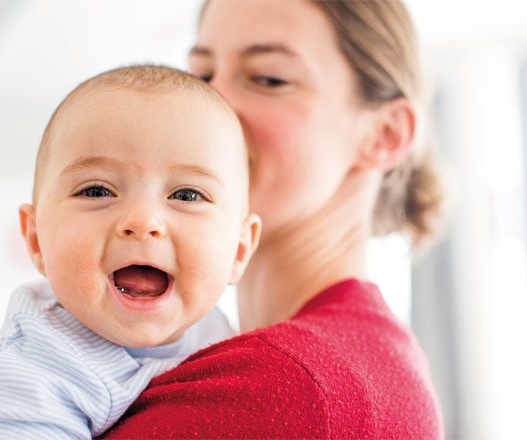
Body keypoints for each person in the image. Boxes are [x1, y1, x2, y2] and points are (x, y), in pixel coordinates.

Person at [104, 0, 444, 438]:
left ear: (385, 135)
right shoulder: (366, 360)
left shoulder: (290, 386)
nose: (211, 107)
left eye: (269, 78)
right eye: (202, 74)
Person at [0, 65, 261, 438]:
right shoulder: (34, 369)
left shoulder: (219, 336)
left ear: (239, 250)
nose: (142, 221)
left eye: (186, 195)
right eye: (97, 191)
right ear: (35, 239)